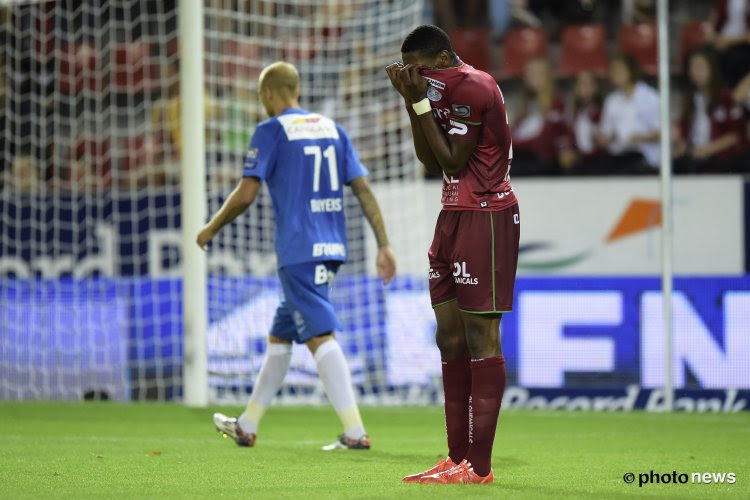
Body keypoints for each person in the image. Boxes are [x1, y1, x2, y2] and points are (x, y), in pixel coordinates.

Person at [198, 61, 397, 451]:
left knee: (320, 337)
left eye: (261, 97)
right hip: (330, 246)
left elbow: (245, 194)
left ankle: (355, 432)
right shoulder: (332, 129)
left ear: (270, 94)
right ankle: (247, 425)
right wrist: (384, 243)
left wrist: (210, 228)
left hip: (298, 249)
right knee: (280, 336)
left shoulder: (271, 131)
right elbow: (363, 190)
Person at [386, 24, 519, 485]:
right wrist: (412, 101)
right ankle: (456, 458)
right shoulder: (434, 90)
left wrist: (419, 100)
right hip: (450, 215)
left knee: (482, 338)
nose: (415, 77)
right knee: (450, 340)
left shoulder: (473, 86)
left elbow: (453, 161)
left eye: (419, 70)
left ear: (442, 59)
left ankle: (479, 468)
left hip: (485, 216)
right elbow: (429, 160)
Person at [674, 48, 749, 173]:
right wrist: (682, 145)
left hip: (721, 156)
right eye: (692, 67)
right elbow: (683, 130)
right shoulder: (689, 99)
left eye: (700, 67)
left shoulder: (726, 97)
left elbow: (736, 135)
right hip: (695, 154)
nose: (695, 72)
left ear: (712, 69)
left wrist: (708, 150)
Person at [512, 57, 575, 175]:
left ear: (547, 77)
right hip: (523, 157)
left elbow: (543, 142)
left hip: (543, 162)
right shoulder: (525, 105)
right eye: (529, 73)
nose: (531, 77)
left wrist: (513, 143)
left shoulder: (556, 104)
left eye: (537, 73)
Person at [597, 54, 660, 173]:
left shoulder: (650, 97)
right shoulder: (612, 100)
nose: (614, 74)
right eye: (613, 70)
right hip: (619, 154)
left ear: (631, 70)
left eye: (618, 70)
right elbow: (606, 132)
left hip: (644, 155)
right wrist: (603, 138)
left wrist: (642, 137)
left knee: (630, 167)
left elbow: (662, 133)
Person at [567, 70, 604, 175]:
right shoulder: (574, 113)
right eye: (580, 84)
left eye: (587, 84)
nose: (583, 87)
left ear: (596, 87)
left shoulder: (602, 112)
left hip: (597, 162)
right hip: (580, 161)